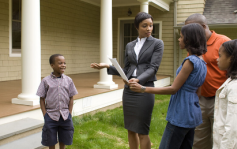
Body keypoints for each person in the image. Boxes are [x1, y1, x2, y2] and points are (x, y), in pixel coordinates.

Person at [91, 12, 164, 149]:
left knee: (142, 130)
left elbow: (153, 68)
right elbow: (126, 70)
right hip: (129, 91)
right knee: (131, 129)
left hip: (144, 90)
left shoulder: (157, 43)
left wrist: (137, 80)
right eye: (145, 26)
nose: (149, 29)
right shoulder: (130, 45)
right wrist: (108, 66)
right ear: (137, 27)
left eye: (151, 26)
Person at [129, 23, 207, 149]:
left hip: (180, 115)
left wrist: (143, 88)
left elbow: (173, 89)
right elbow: (198, 91)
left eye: (181, 37)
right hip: (193, 114)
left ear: (189, 39)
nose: (179, 39)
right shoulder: (202, 62)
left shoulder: (189, 62)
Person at [184, 13, 231, 149]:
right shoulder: (193, 47)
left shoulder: (224, 42)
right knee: (198, 138)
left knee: (220, 137)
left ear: (203, 27)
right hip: (201, 99)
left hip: (222, 99)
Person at [36, 54, 78, 149]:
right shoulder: (45, 81)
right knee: (51, 140)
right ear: (52, 65)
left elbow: (71, 97)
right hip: (51, 115)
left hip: (65, 115)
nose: (63, 65)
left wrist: (69, 113)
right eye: (60, 63)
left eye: (64, 63)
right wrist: (45, 114)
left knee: (64, 138)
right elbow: (42, 98)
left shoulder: (69, 80)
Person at [213, 40, 237, 149]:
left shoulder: (234, 87)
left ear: (231, 58)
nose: (217, 59)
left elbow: (233, 128)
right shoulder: (230, 81)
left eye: (220, 55)